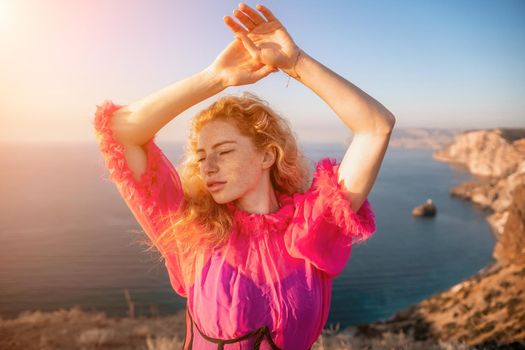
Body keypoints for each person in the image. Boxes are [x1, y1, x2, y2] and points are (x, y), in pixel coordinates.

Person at [92, 3, 395, 349]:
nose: (208, 166)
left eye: (223, 151)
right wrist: (214, 78)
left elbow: (375, 127)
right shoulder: (191, 231)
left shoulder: (312, 226)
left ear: (268, 155)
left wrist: (295, 62)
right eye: (202, 156)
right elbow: (120, 132)